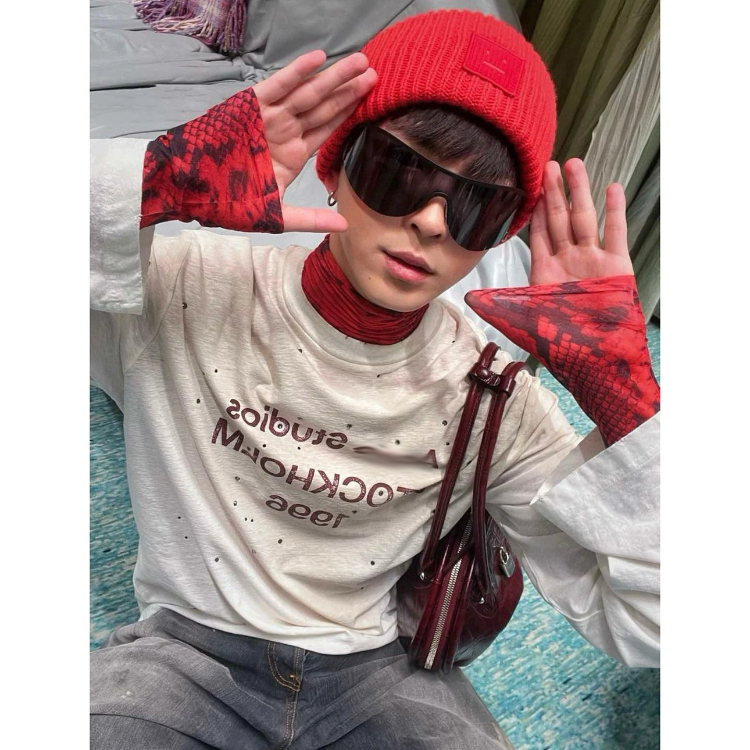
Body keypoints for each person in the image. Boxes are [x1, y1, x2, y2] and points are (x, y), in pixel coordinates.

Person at [90, 9, 660, 749]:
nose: (430, 222)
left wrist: (628, 403)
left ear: (500, 234)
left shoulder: (492, 393)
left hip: (375, 672)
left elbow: (653, 626)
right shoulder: (181, 287)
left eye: (476, 205)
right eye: (402, 170)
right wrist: (148, 182)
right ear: (335, 165)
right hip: (184, 653)